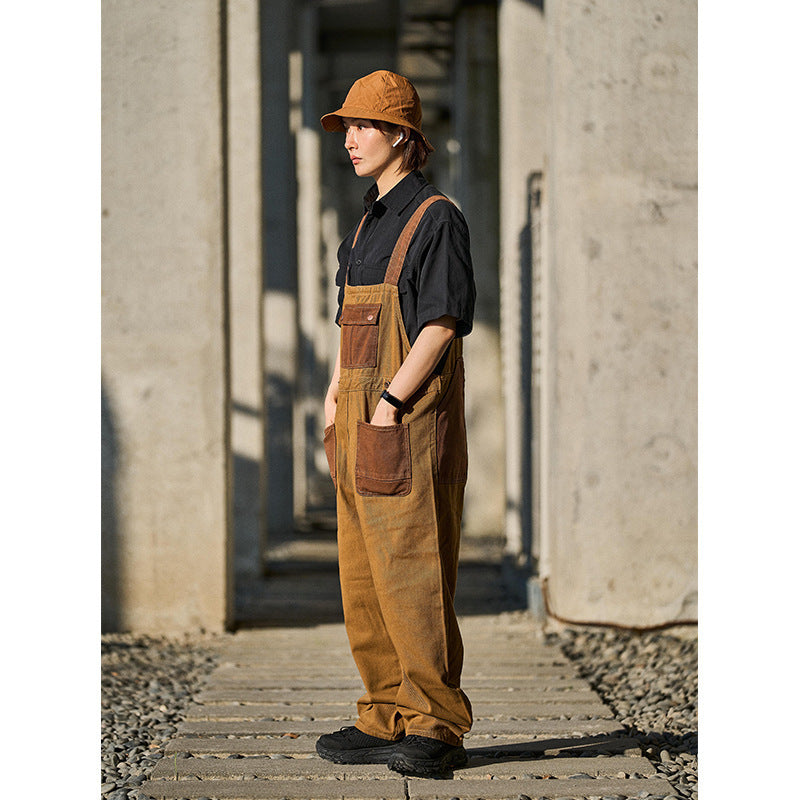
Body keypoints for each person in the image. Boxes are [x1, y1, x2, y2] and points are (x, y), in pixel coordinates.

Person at [315, 69, 476, 778]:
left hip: (402, 418)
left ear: (403, 135)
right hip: (354, 416)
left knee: (412, 571)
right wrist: (334, 397)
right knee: (363, 575)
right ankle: (384, 713)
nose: (350, 140)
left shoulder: (435, 217)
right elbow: (349, 324)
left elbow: (441, 324)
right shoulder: (365, 223)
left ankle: (436, 724)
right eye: (346, 127)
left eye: (364, 127)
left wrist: (389, 404)